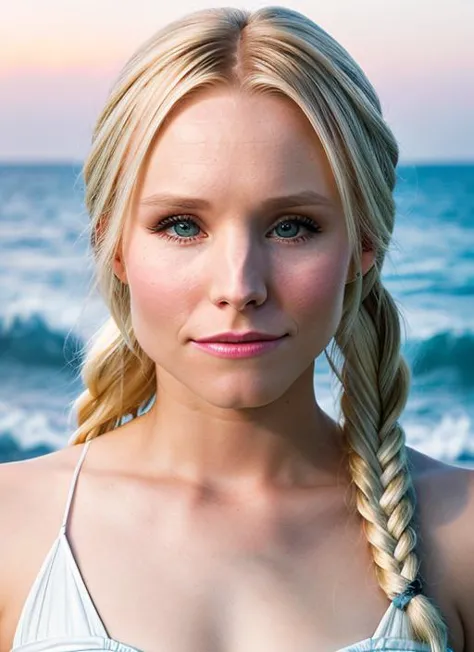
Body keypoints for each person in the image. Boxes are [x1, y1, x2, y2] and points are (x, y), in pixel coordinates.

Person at [0, 5, 472, 652]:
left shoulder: (462, 535)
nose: (239, 286)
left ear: (365, 244)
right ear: (113, 245)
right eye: (183, 226)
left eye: (291, 227)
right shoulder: (9, 528)